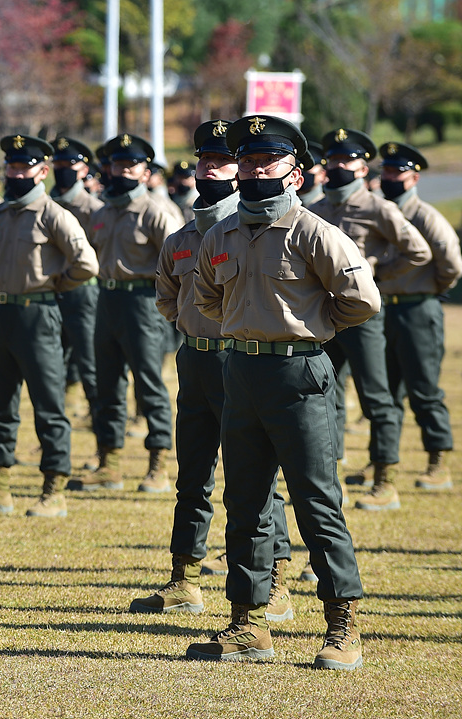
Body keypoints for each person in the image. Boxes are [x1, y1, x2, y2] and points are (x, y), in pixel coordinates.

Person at [188, 115, 377, 670]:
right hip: (240, 374)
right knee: (244, 503)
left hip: (299, 377)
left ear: (295, 172)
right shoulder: (219, 234)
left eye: (266, 161)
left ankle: (343, 626)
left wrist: (310, 328)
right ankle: (248, 624)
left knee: (317, 502)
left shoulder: (313, 232)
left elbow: (361, 299)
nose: (253, 170)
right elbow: (205, 299)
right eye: (246, 161)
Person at [132, 120, 292, 622]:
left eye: (221, 162)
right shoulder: (182, 237)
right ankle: (185, 577)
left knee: (256, 474)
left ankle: (277, 581)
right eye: (203, 161)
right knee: (193, 470)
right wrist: (191, 328)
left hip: (238, 357)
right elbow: (166, 296)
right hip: (195, 358)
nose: (209, 170)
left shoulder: (247, 233)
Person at [0, 134, 98, 518]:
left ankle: (53, 488)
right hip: (1, 317)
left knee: (49, 405)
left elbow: (86, 264)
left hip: (39, 315)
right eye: (11, 166)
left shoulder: (54, 215)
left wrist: (56, 284)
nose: (16, 173)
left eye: (24, 167)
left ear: (42, 172)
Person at [308, 129, 431, 510]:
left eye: (345, 161)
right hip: (327, 316)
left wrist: (377, 275)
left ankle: (385, 480)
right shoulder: (320, 208)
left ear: (363, 167)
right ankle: (326, 476)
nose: (337, 166)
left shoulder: (378, 207)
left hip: (362, 318)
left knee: (376, 398)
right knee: (321, 394)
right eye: (332, 160)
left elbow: (418, 252)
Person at [73, 134, 181, 494]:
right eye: (117, 164)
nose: (122, 171)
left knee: (149, 384)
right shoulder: (103, 211)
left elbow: (177, 262)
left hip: (142, 302)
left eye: (130, 165)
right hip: (107, 300)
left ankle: (158, 463)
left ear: (145, 171)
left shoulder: (156, 211)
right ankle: (110, 462)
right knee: (108, 385)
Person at [378, 141, 462, 491]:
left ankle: (437, 461)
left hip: (418, 309)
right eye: (386, 171)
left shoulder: (425, 216)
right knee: (386, 393)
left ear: (413, 179)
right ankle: (382, 461)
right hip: (384, 309)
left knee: (423, 390)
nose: (389, 177)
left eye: (397, 172)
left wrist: (425, 289)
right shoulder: (379, 211)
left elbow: (451, 265)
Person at [49, 136, 103, 432]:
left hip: (84, 292)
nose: (62, 169)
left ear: (84, 169)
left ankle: (100, 430)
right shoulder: (47, 205)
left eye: (68, 164)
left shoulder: (95, 209)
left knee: (90, 363)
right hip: (50, 293)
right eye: (57, 164)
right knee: (52, 364)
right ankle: (58, 429)